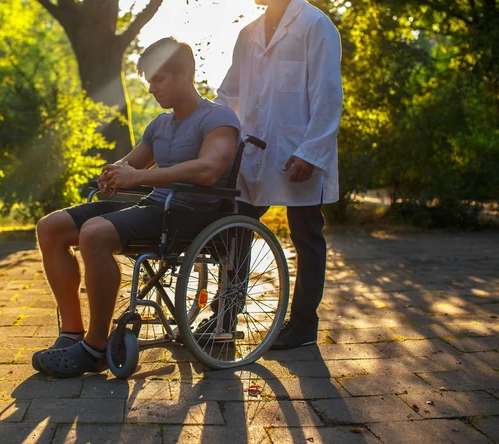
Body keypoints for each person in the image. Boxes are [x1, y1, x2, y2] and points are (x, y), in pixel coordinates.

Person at [32, 37, 241, 377]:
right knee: (50, 228)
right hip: (156, 207)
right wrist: (114, 172)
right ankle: (71, 333)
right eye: (149, 82)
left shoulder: (218, 118)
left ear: (185, 73)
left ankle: (95, 347)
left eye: (158, 80)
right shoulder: (159, 125)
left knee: (95, 233)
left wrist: (141, 177)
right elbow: (132, 163)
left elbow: (208, 170)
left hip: (191, 215)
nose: (151, 90)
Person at [214, 0, 343, 349]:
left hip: (297, 154)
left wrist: (311, 152)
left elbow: (328, 95)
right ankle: (225, 315)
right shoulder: (248, 33)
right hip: (250, 154)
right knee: (235, 231)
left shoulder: (316, 26)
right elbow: (229, 94)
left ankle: (303, 323)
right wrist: (218, 141)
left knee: (306, 235)